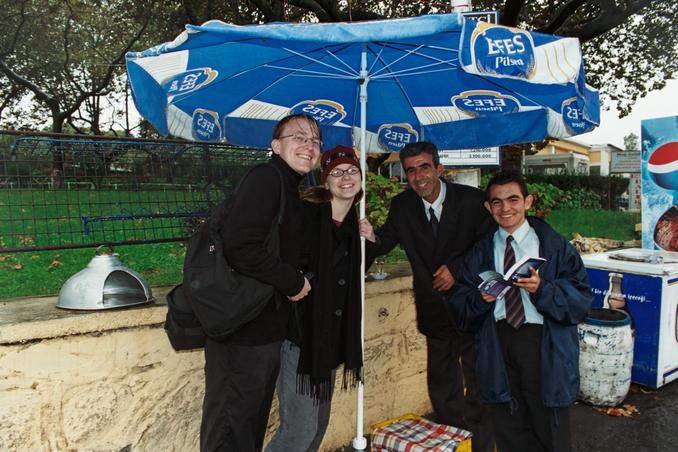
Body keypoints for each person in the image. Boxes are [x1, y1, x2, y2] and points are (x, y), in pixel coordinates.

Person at [360, 141, 495, 452]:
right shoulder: (402, 206)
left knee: (479, 386)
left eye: (424, 167)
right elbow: (384, 243)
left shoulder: (473, 201)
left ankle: (483, 447)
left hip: (473, 307)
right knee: (442, 388)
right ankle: (453, 443)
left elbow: (490, 244)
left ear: (439, 169)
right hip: (434, 310)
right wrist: (369, 237)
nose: (418, 176)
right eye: (410, 170)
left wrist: (458, 269)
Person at [200, 114, 321, 452]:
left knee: (247, 425)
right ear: (275, 145)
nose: (308, 145)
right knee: (232, 427)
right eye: (298, 137)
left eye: (314, 140)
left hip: (265, 328)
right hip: (242, 328)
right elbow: (241, 246)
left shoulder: (292, 187)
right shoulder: (266, 178)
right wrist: (292, 281)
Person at [448, 171, 593, 452]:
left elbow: (580, 302)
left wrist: (542, 289)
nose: (506, 209)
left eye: (513, 199)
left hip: (544, 342)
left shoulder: (555, 247)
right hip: (497, 343)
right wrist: (480, 299)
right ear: (488, 208)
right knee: (508, 424)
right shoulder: (480, 252)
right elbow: (460, 309)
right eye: (497, 202)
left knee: (550, 426)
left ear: (528, 201)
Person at [265, 145, 372, 452]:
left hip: (331, 342)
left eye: (351, 171)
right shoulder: (307, 216)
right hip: (302, 337)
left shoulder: (356, 225)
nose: (345, 177)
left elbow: (356, 273)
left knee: (318, 427)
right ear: (325, 182)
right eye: (336, 173)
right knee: (300, 430)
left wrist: (370, 240)